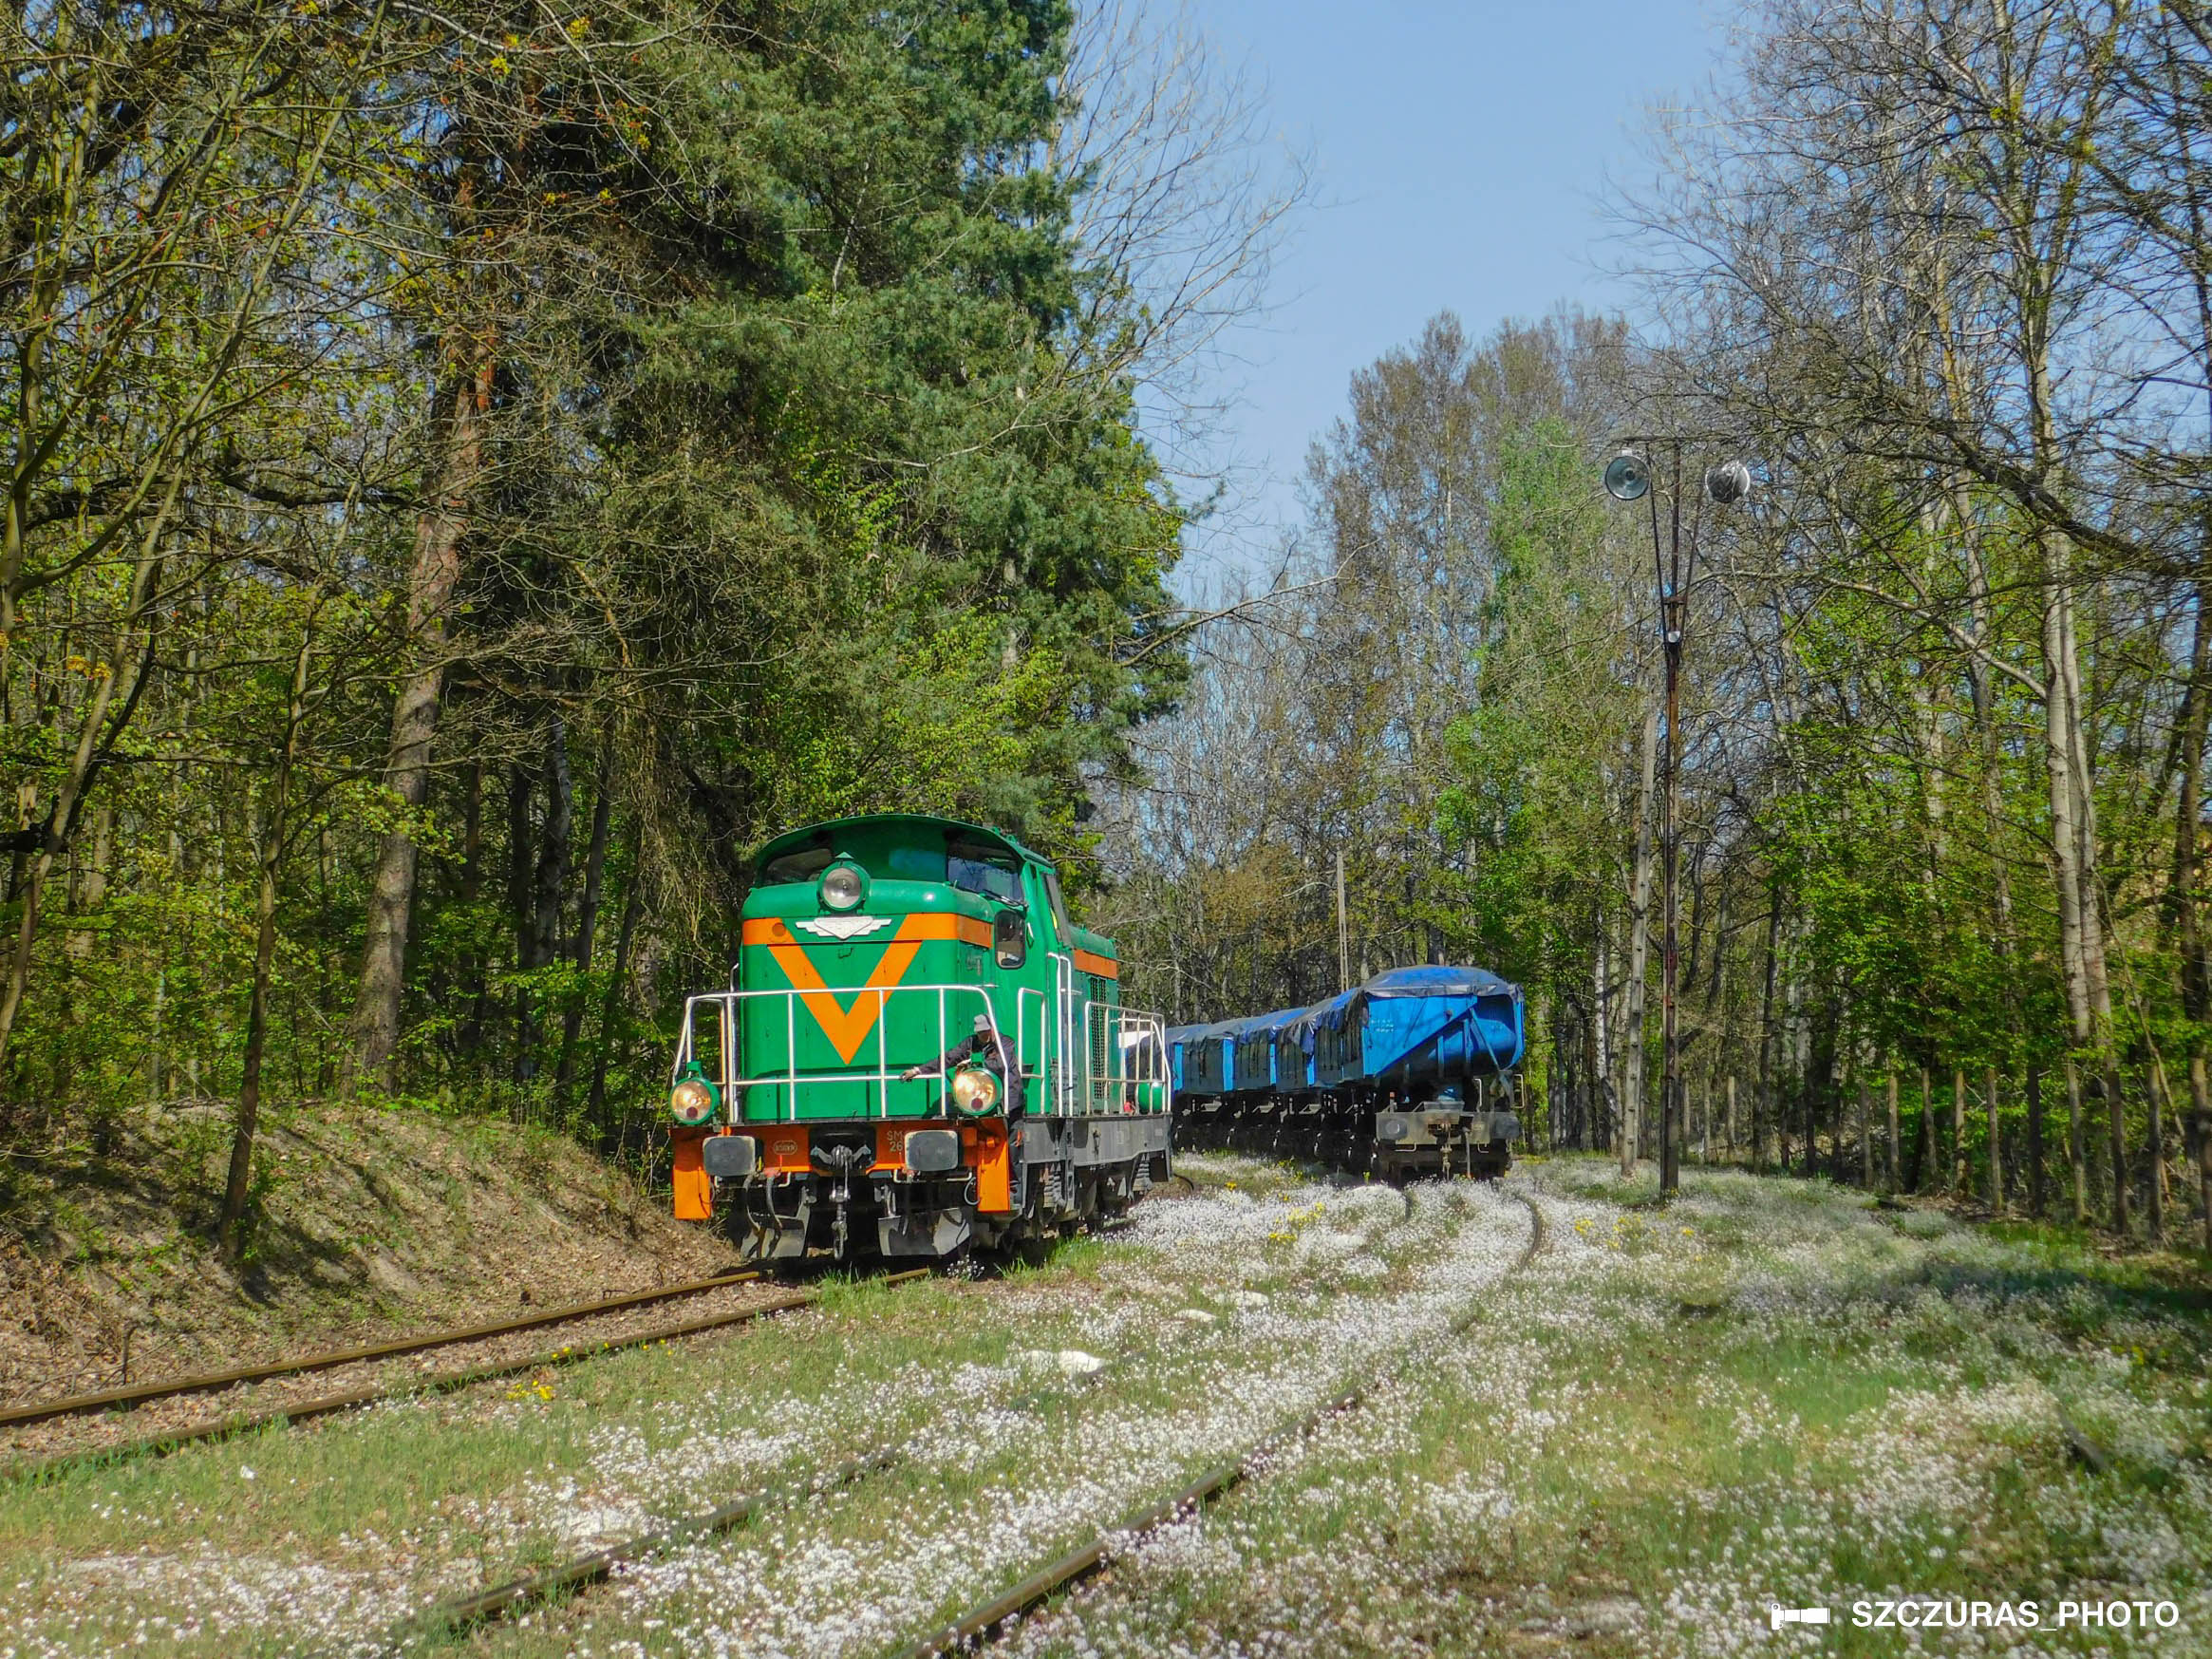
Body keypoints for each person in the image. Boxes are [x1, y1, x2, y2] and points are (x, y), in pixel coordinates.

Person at [901, 1014, 1025, 1115]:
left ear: (992, 1028)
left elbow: (1002, 1065)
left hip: (1010, 1100)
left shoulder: (1006, 1043)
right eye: (980, 1032)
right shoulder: (971, 1043)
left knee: (1013, 1135)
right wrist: (918, 1070)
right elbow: (949, 1057)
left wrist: (975, 1064)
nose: (983, 1035)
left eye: (986, 1031)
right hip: (984, 1100)